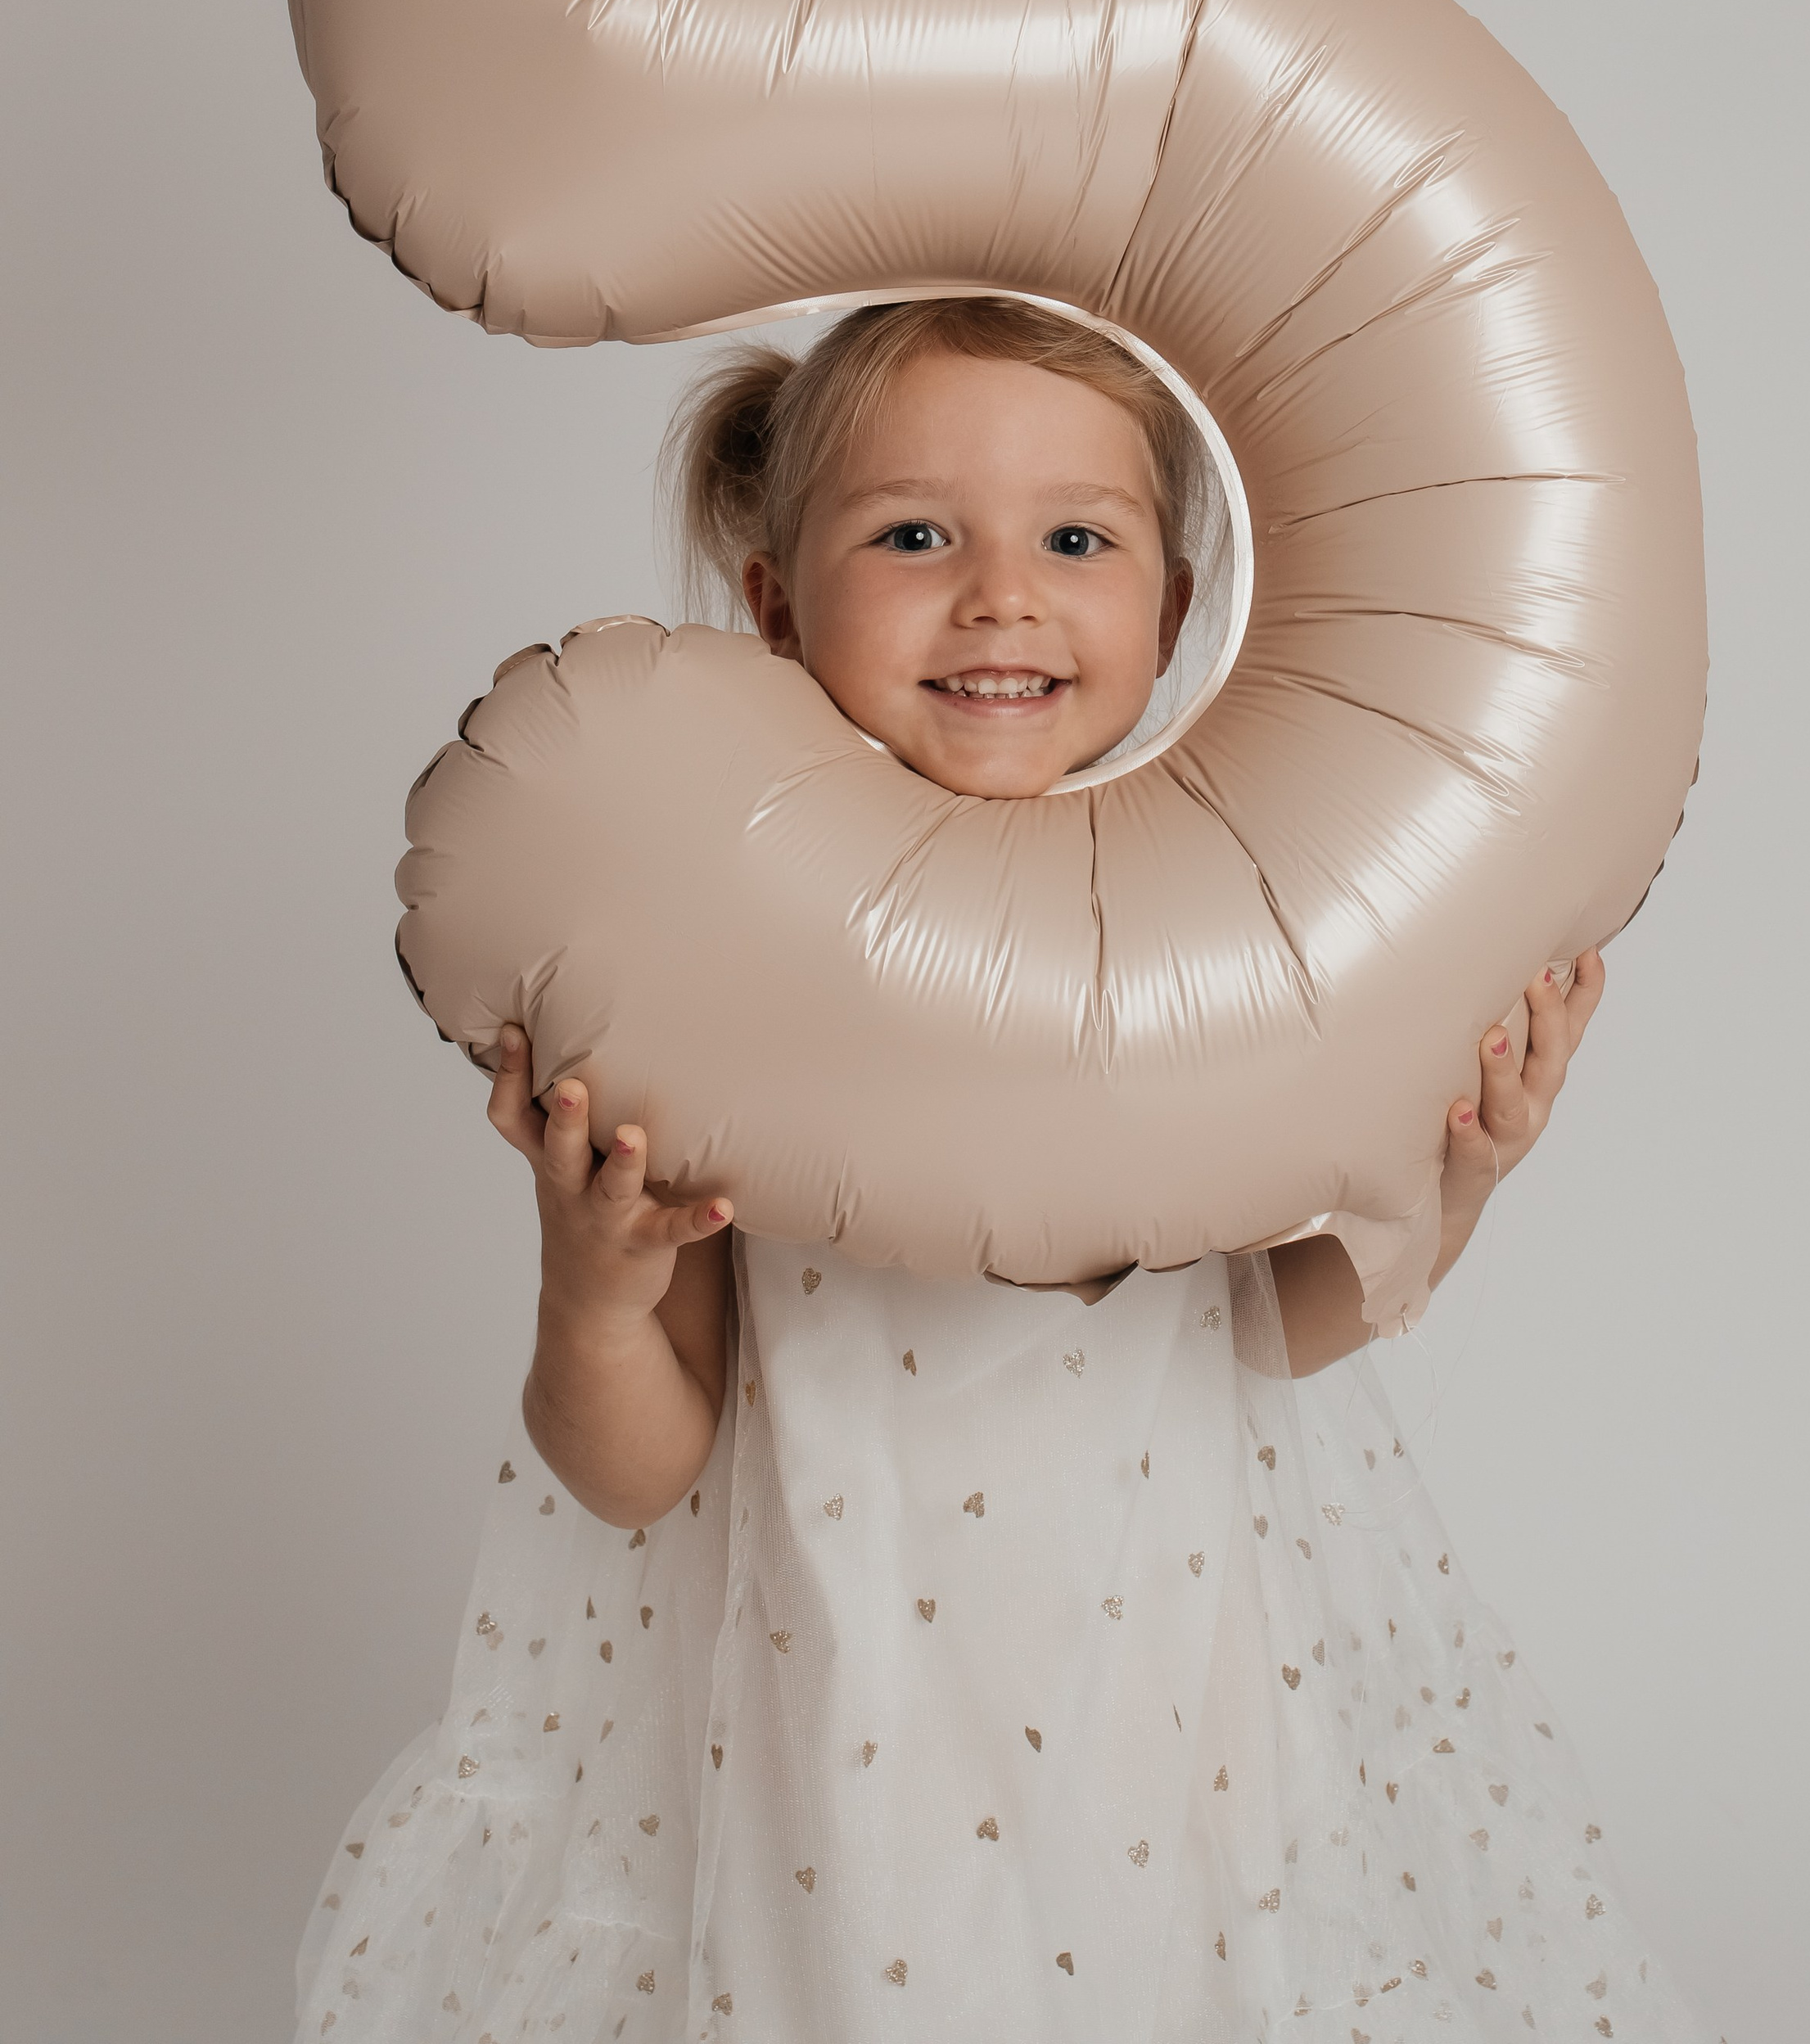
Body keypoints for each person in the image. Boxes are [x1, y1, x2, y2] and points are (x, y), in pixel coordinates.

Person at [295, 298, 1713, 2044]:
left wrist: (1462, 1180)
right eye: (911, 536)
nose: (1000, 595)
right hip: (849, 1718)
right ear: (770, 606)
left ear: (1176, 607)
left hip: (1166, 1693)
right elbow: (637, 1470)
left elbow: (1260, 1329)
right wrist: (594, 1283)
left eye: (1075, 538)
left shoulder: (1213, 939)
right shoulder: (737, 964)